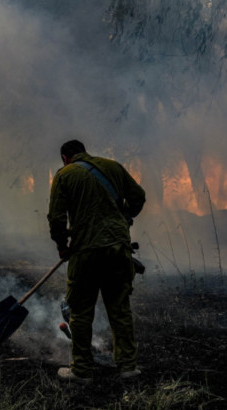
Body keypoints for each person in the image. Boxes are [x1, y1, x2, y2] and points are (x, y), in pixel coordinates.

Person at [48, 139, 145, 383]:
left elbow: (56, 219)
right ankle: (128, 367)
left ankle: (81, 370)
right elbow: (138, 197)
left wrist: (62, 247)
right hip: (117, 250)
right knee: (120, 309)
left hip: (85, 253)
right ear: (85, 152)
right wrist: (124, 218)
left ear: (64, 158)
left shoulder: (64, 175)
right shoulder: (113, 167)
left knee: (80, 312)